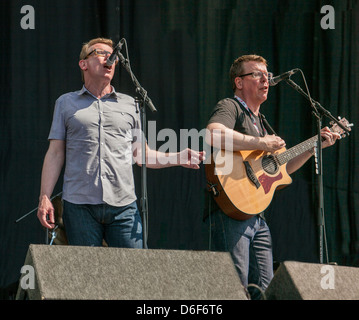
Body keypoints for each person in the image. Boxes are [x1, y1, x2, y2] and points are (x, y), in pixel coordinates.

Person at [37, 37, 205, 248]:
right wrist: (45, 197)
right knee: (87, 275)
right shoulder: (65, 103)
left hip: (123, 206)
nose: (110, 58)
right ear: (84, 64)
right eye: (100, 53)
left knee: (133, 274)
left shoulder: (131, 104)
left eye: (113, 56)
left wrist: (178, 157)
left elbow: (141, 155)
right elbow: (55, 153)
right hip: (80, 206)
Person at [205, 54, 340, 298]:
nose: (265, 79)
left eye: (267, 75)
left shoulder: (261, 121)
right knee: (233, 291)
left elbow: (281, 170)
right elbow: (213, 134)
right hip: (231, 213)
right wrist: (260, 142)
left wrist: (314, 146)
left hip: (258, 218)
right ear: (239, 82)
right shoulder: (231, 106)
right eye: (256, 74)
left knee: (265, 291)